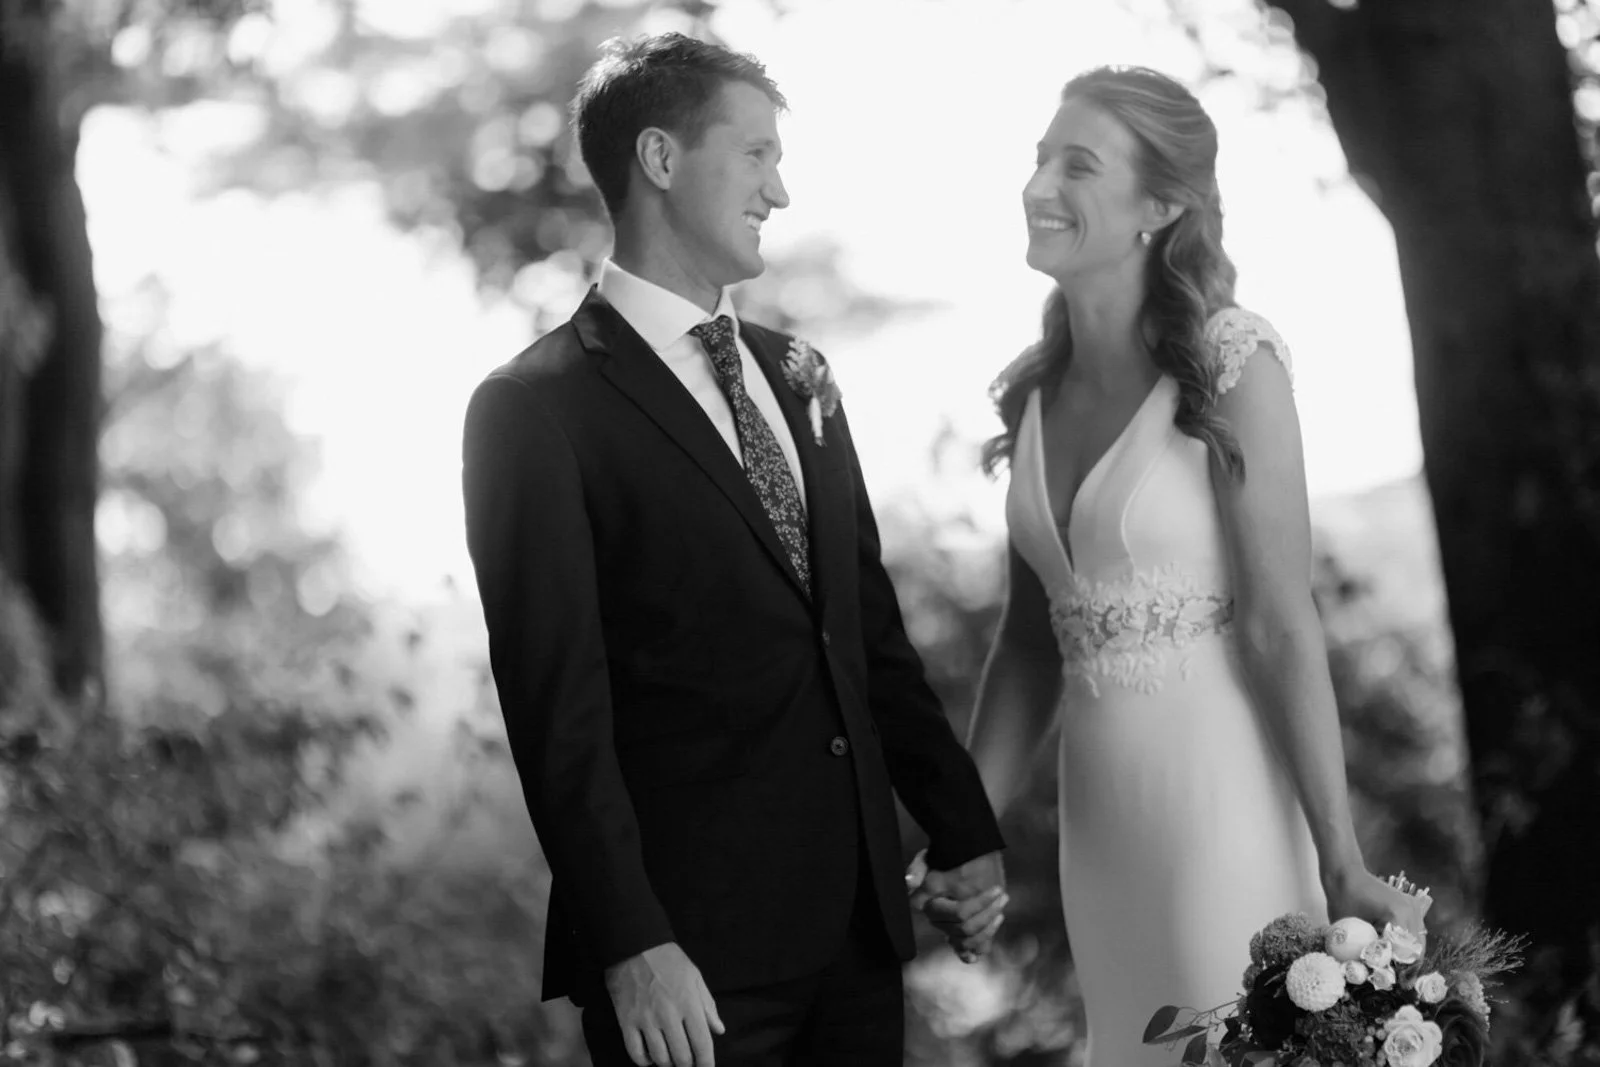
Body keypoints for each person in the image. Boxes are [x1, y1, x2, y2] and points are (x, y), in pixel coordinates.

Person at [460, 32, 1007, 1067]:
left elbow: (864, 633)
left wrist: (963, 827)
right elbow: (556, 713)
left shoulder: (797, 371)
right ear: (661, 159)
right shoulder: (533, 410)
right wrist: (631, 942)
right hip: (686, 971)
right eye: (755, 155)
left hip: (854, 937)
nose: (780, 190)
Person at [954, 66, 1431, 1066]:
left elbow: (1278, 621)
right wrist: (964, 826)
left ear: (1160, 205)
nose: (1040, 184)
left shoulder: (1228, 361)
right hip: (1103, 834)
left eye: (1076, 164)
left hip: (1223, 806)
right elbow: (1030, 643)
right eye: (1039, 158)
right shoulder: (1033, 396)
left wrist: (1338, 857)